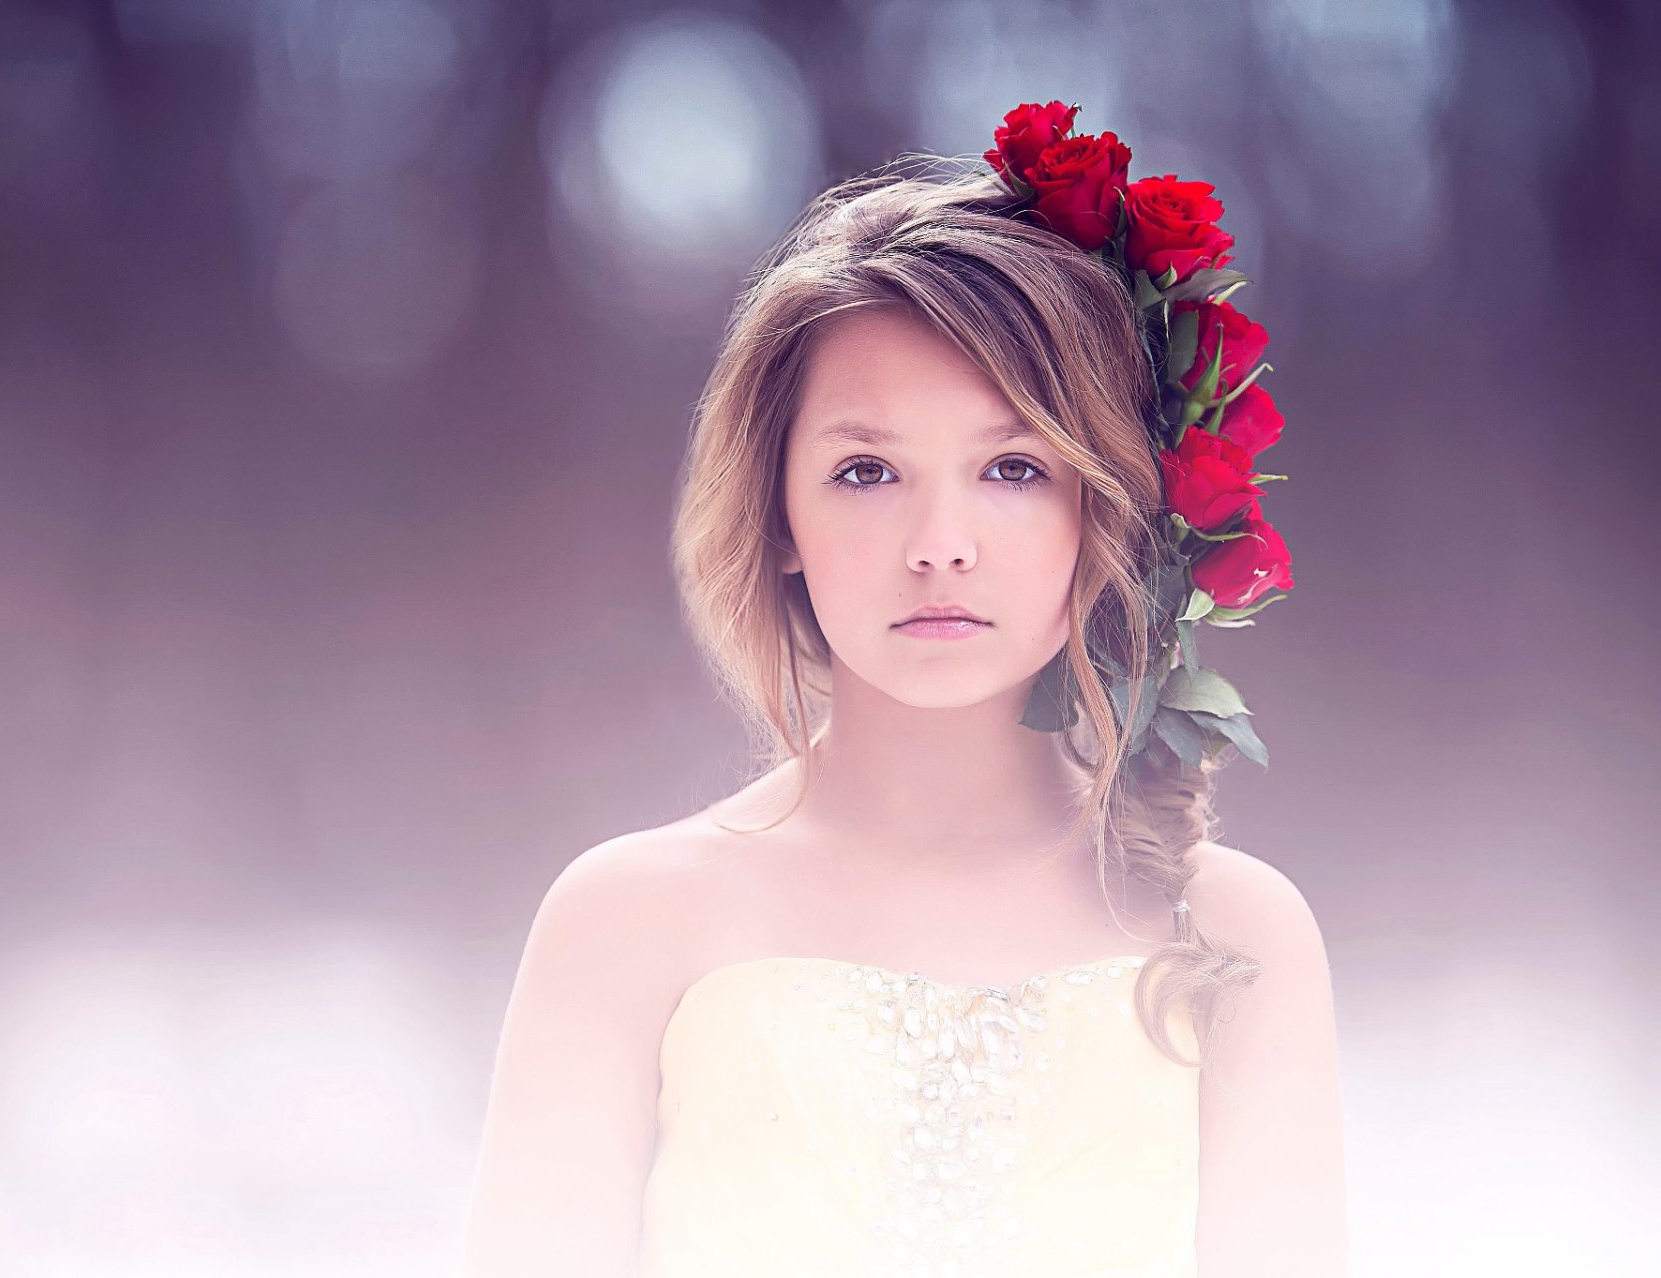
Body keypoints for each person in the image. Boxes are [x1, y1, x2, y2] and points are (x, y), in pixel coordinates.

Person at [465, 105, 1345, 1278]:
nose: (940, 542)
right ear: (780, 514)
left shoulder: (1235, 935)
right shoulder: (627, 921)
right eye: (867, 470)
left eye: (1014, 467)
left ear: (1111, 507)